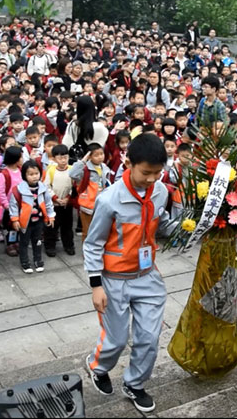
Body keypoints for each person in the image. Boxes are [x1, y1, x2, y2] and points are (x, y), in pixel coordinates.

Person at [84, 133, 171, 413]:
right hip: (113, 280)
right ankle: (98, 367)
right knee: (117, 338)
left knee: (149, 337)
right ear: (129, 163)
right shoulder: (109, 200)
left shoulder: (161, 192)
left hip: (147, 277)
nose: (151, 179)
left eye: (157, 173)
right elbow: (93, 243)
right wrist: (96, 285)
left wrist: (192, 227)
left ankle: (135, 383)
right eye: (146, 172)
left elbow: (163, 223)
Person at [10, 159, 55, 273]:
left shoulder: (43, 188)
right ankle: (25, 262)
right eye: (30, 174)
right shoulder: (19, 190)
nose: (34, 176)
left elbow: (48, 203)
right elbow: (13, 206)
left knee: (38, 241)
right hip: (25, 221)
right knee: (24, 242)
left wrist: (50, 216)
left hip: (38, 220)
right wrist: (15, 219)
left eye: (36, 173)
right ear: (24, 175)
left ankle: (38, 260)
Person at [70, 143, 111, 240]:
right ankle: (87, 253)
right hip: (87, 205)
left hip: (101, 205)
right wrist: (83, 161)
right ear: (89, 156)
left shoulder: (104, 167)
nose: (100, 157)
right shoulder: (85, 169)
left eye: (101, 154)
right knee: (87, 232)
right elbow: (72, 174)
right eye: (96, 155)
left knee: (100, 231)